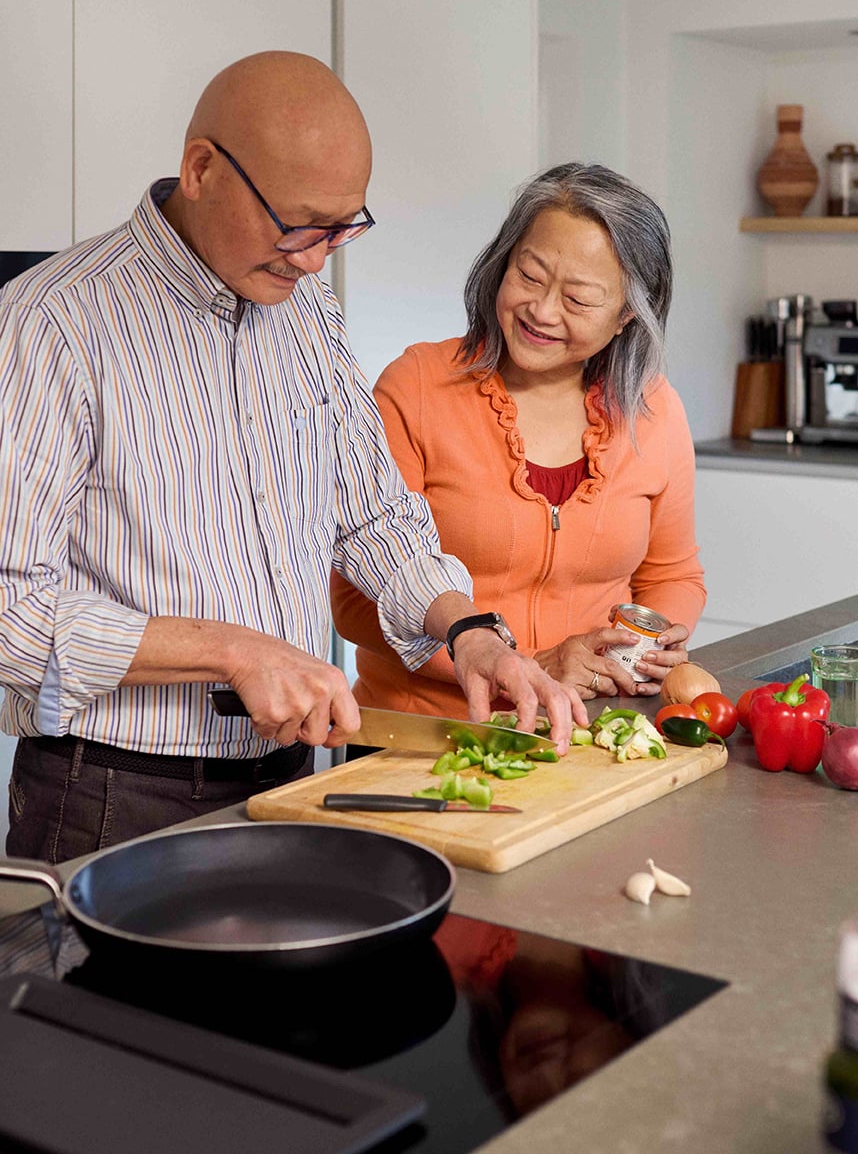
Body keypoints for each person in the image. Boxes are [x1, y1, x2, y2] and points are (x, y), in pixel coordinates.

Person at [0, 51, 584, 863]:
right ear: (201, 168)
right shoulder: (50, 323)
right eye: (298, 225)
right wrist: (230, 649)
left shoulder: (308, 311)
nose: (316, 258)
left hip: (289, 778)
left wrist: (474, 634)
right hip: (110, 796)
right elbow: (6, 611)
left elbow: (375, 516)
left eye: (343, 228)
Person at [331, 162, 706, 721]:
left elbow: (671, 576)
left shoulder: (654, 411)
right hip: (422, 737)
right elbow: (356, 602)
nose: (542, 310)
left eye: (578, 299)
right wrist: (529, 664)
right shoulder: (416, 388)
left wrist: (643, 652)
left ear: (628, 314)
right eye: (529, 276)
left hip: (581, 731)